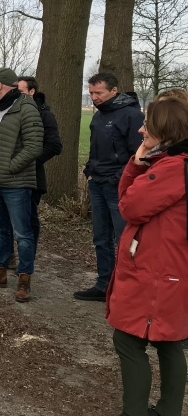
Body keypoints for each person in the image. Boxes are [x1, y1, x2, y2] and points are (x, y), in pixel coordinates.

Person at [107, 95, 188, 416]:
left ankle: (136, 412)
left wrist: (136, 163)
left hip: (158, 270)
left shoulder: (171, 168)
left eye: (147, 125)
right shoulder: (174, 163)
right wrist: (140, 164)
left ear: (165, 129)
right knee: (169, 341)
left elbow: (129, 206)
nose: (141, 130)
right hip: (171, 268)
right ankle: (168, 409)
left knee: (128, 341)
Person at [0, 67, 42, 303]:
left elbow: (34, 147)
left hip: (16, 183)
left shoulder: (26, 107)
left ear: (0, 84)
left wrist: (10, 167)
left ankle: (24, 280)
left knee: (23, 233)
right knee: (0, 231)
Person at [74, 72, 144, 302]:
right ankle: (104, 285)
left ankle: (130, 290)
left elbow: (139, 155)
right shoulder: (98, 116)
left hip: (119, 188)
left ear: (114, 91)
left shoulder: (132, 116)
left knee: (124, 239)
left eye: (98, 93)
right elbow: (96, 149)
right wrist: (89, 171)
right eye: (91, 93)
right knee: (100, 238)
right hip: (97, 184)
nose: (94, 97)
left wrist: (117, 178)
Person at [16, 76, 62, 248]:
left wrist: (30, 161)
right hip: (10, 177)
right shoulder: (11, 111)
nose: (16, 95)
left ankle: (27, 260)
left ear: (31, 92)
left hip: (32, 178)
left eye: (20, 92)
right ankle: (9, 258)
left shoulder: (45, 115)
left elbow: (54, 146)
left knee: (28, 219)